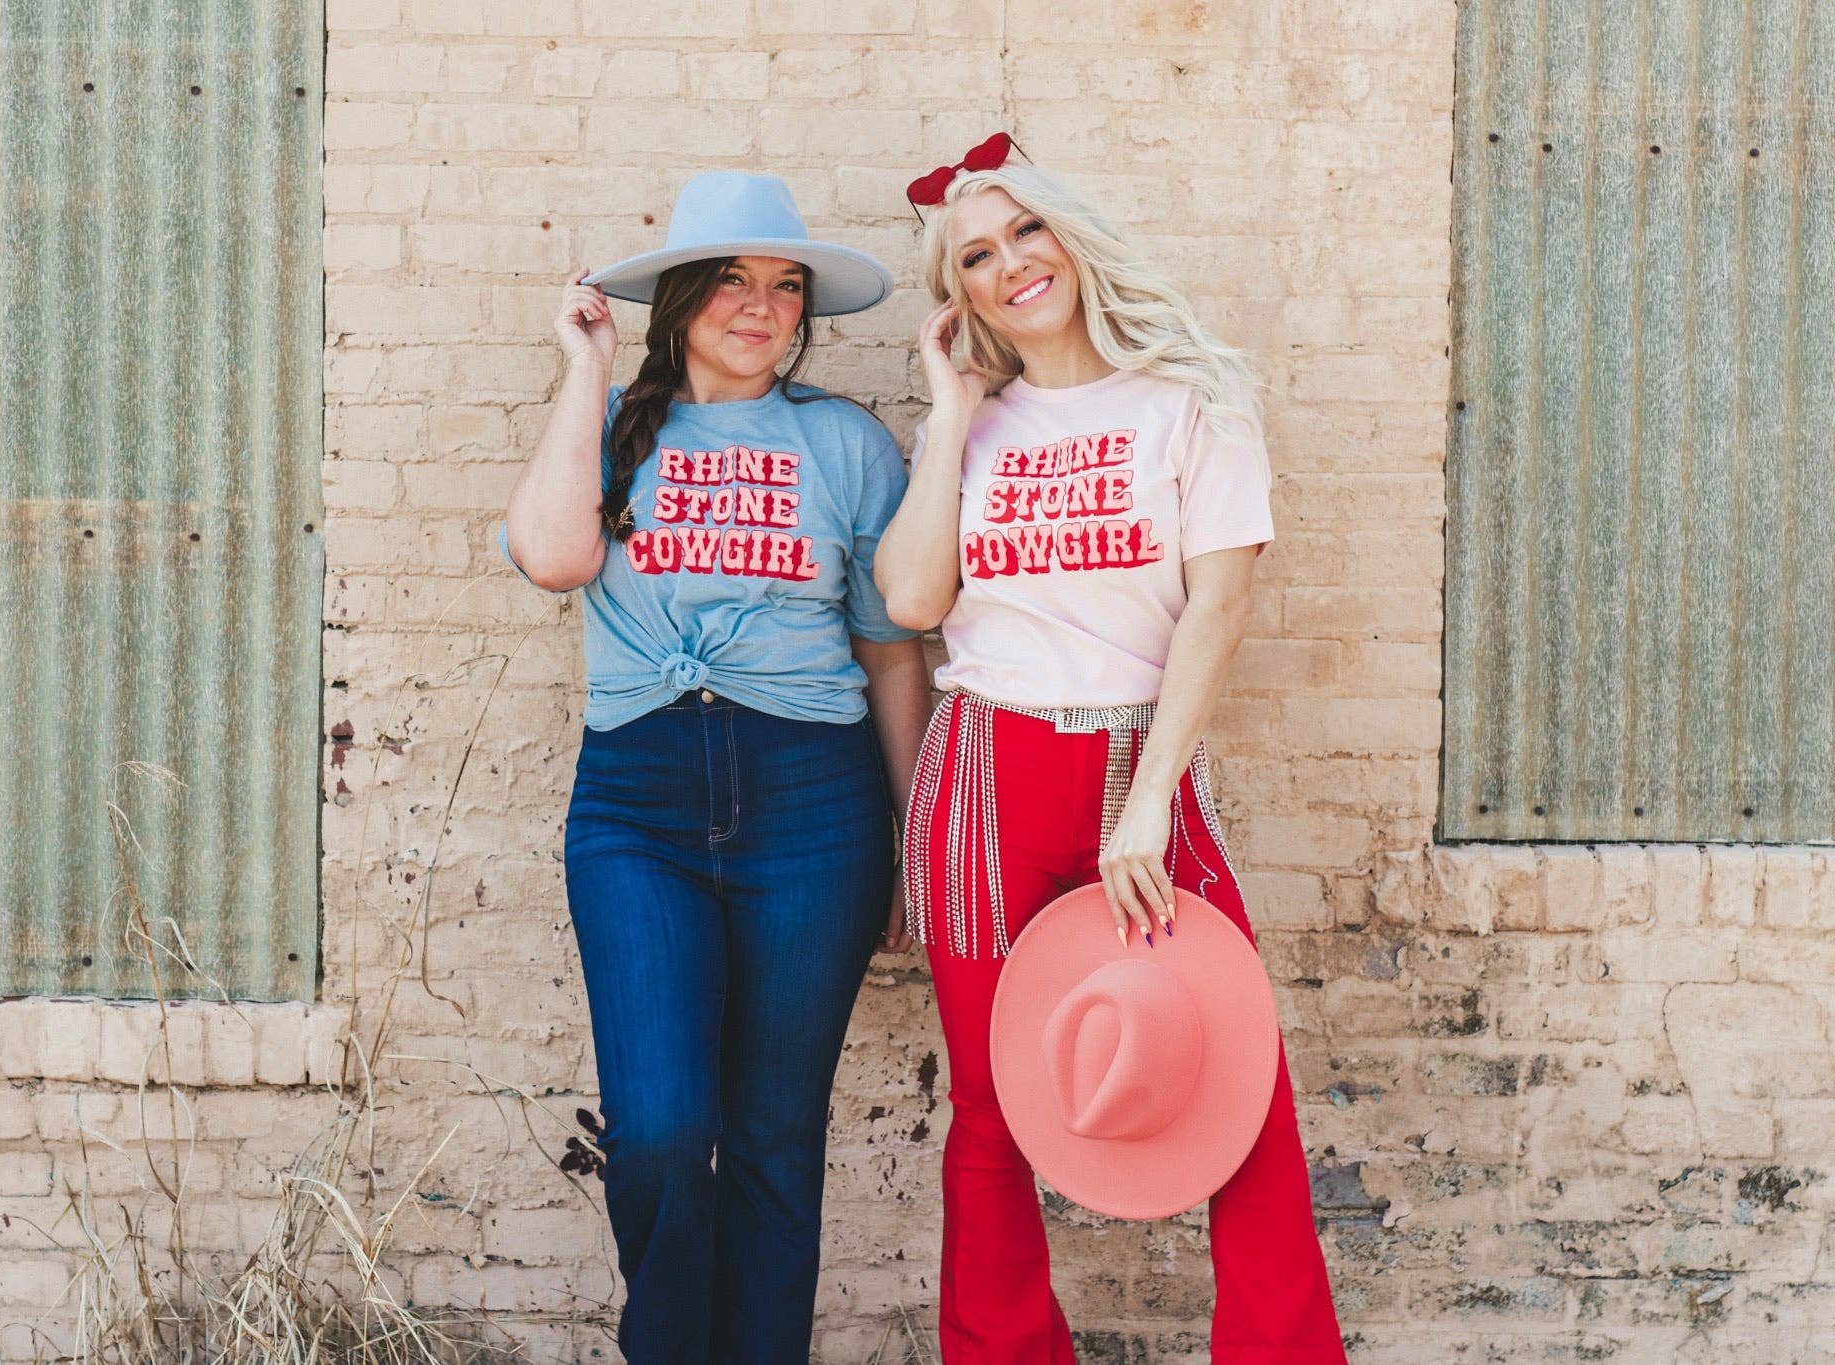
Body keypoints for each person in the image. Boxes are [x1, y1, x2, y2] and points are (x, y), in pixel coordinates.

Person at [875, 142, 1348, 1362]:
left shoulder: (1190, 399)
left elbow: (1217, 610)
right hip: (981, 779)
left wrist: (1143, 807)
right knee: (988, 1115)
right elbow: (915, 601)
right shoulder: (971, 428)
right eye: (976, 257)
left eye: (1024, 233)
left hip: (1142, 777)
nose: (1010, 265)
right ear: (961, 294)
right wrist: (946, 414)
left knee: (1241, 1088)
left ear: (1069, 237)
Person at [499, 171, 931, 1364]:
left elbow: (891, 655)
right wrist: (585, 371)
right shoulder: (620, 423)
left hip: (816, 808)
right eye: (734, 281)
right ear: (682, 296)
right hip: (636, 808)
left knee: (774, 1143)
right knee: (659, 1130)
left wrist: (904, 841)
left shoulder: (842, 442)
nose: (762, 306)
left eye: (785, 285)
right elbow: (548, 557)